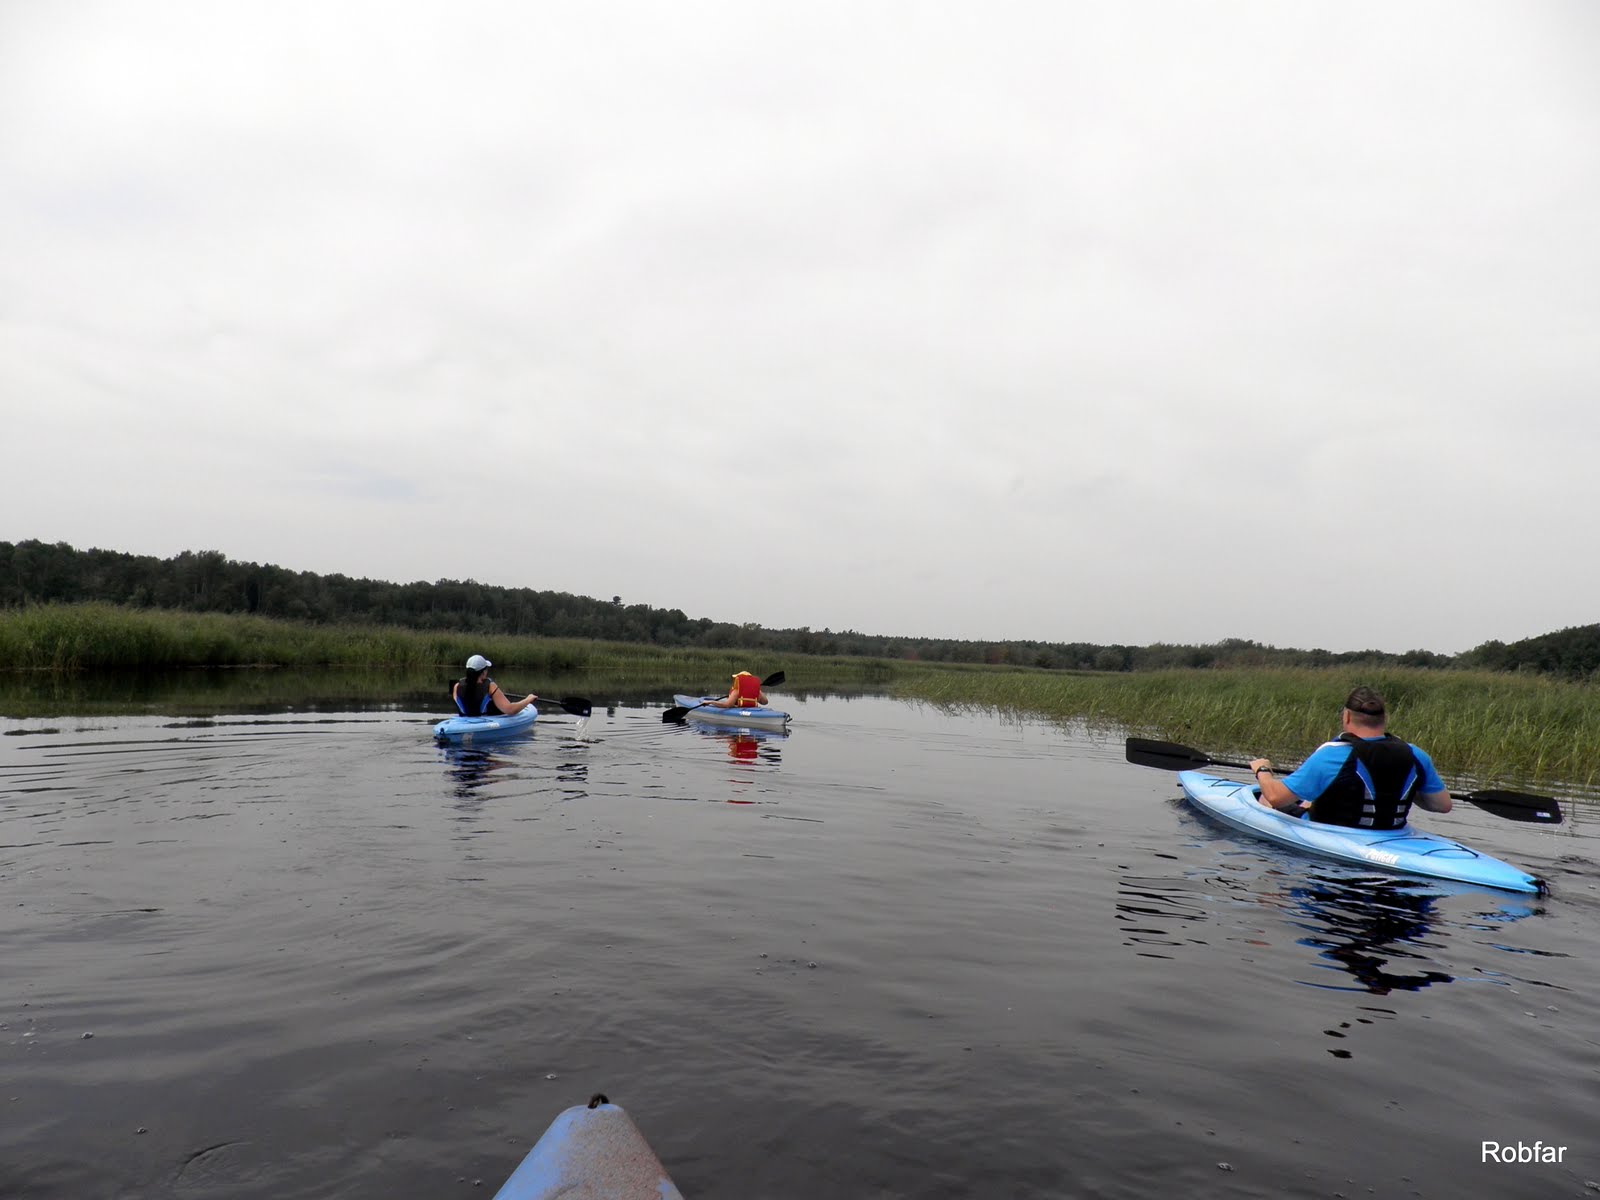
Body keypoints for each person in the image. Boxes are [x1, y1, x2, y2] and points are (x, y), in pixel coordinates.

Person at [1248, 686, 1451, 829]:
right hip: (1392, 835)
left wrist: (1263, 770)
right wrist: (1400, 785)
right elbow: (1442, 806)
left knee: (1265, 796)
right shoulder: (1416, 754)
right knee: (1308, 801)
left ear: (1346, 716)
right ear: (1384, 718)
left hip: (1333, 832)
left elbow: (1276, 797)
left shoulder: (1332, 755)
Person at [451, 654, 537, 717]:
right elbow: (511, 710)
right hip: (483, 723)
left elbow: (471, 697)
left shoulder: (456, 686)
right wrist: (528, 699)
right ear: (483, 672)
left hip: (463, 722)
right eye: (486, 669)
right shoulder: (490, 686)